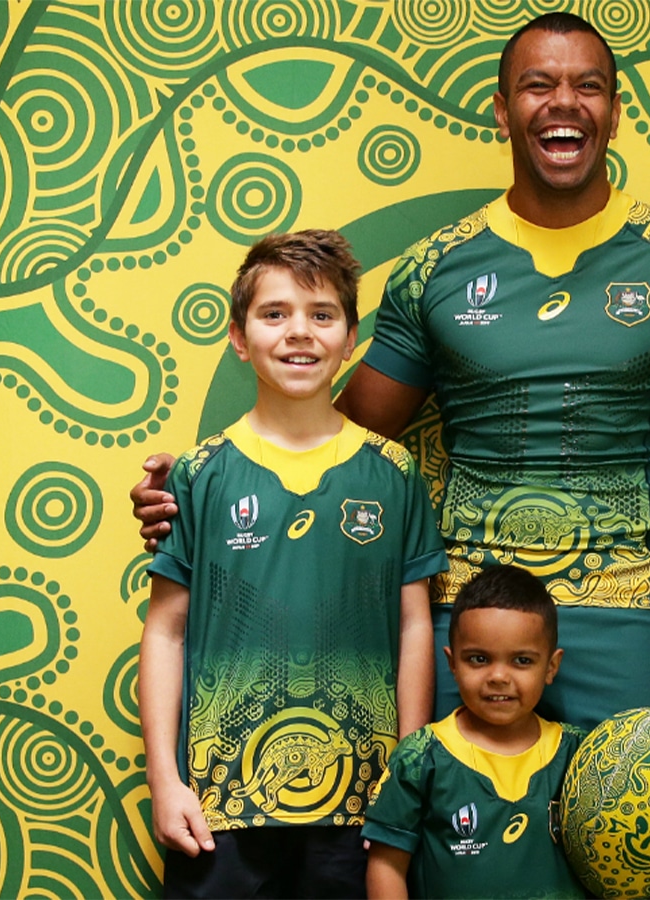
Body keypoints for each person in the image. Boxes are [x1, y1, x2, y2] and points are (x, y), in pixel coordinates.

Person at [131, 14, 650, 732]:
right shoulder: (436, 269)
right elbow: (333, 434)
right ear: (503, 110)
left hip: (628, 614)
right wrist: (201, 489)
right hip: (470, 612)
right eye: (538, 85)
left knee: (643, 855)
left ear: (612, 110)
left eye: (588, 86)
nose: (563, 103)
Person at [138, 230, 447, 898]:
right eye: (274, 314)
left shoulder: (393, 474)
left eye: (322, 314)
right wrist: (165, 780)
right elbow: (165, 630)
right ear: (239, 337)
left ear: (350, 334)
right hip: (219, 806)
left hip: (359, 808)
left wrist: (406, 770)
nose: (299, 333)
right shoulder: (199, 473)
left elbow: (415, 625)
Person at [363, 564, 650, 899]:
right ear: (451, 663)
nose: (499, 676)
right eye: (478, 659)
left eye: (522, 661)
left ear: (551, 667)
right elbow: (385, 866)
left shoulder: (584, 757)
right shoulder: (420, 758)